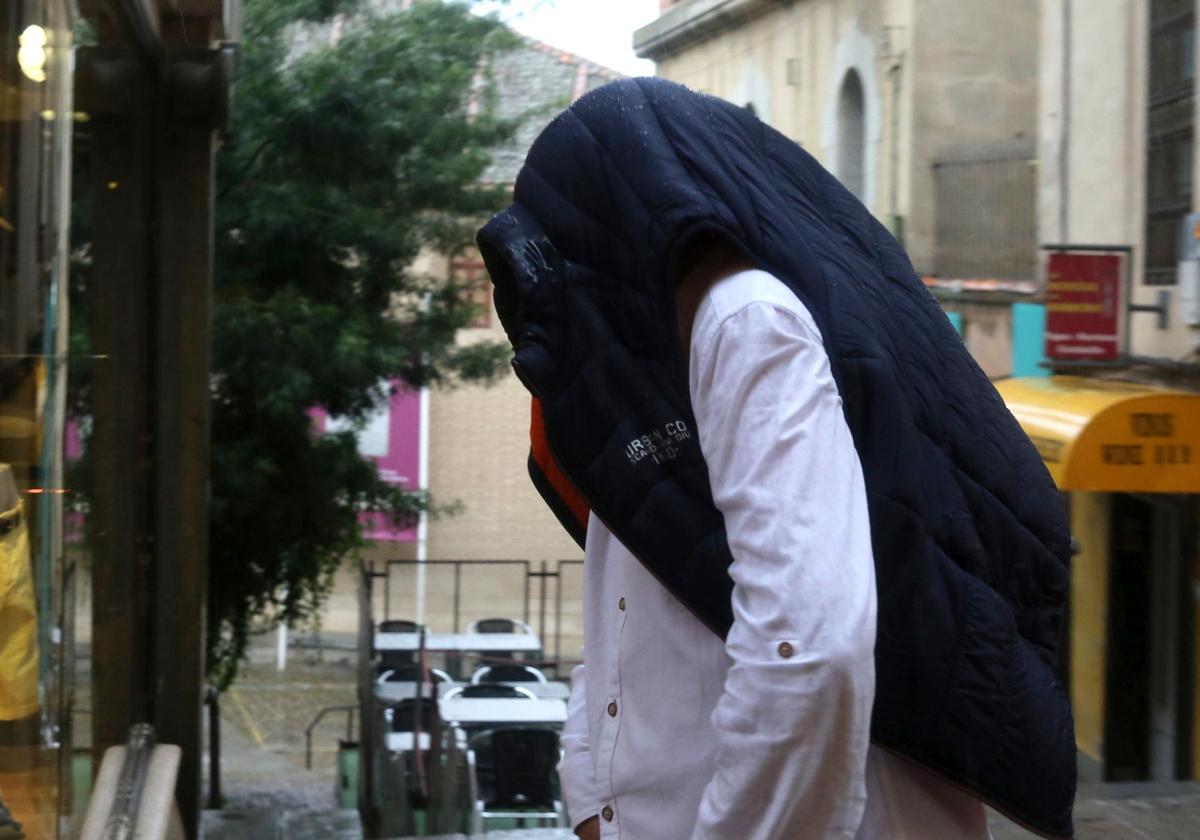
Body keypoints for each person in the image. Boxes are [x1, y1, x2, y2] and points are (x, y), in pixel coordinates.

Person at [478, 78, 1075, 839]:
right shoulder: (639, 368)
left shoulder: (745, 318)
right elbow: (615, 610)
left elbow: (808, 649)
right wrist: (595, 798)